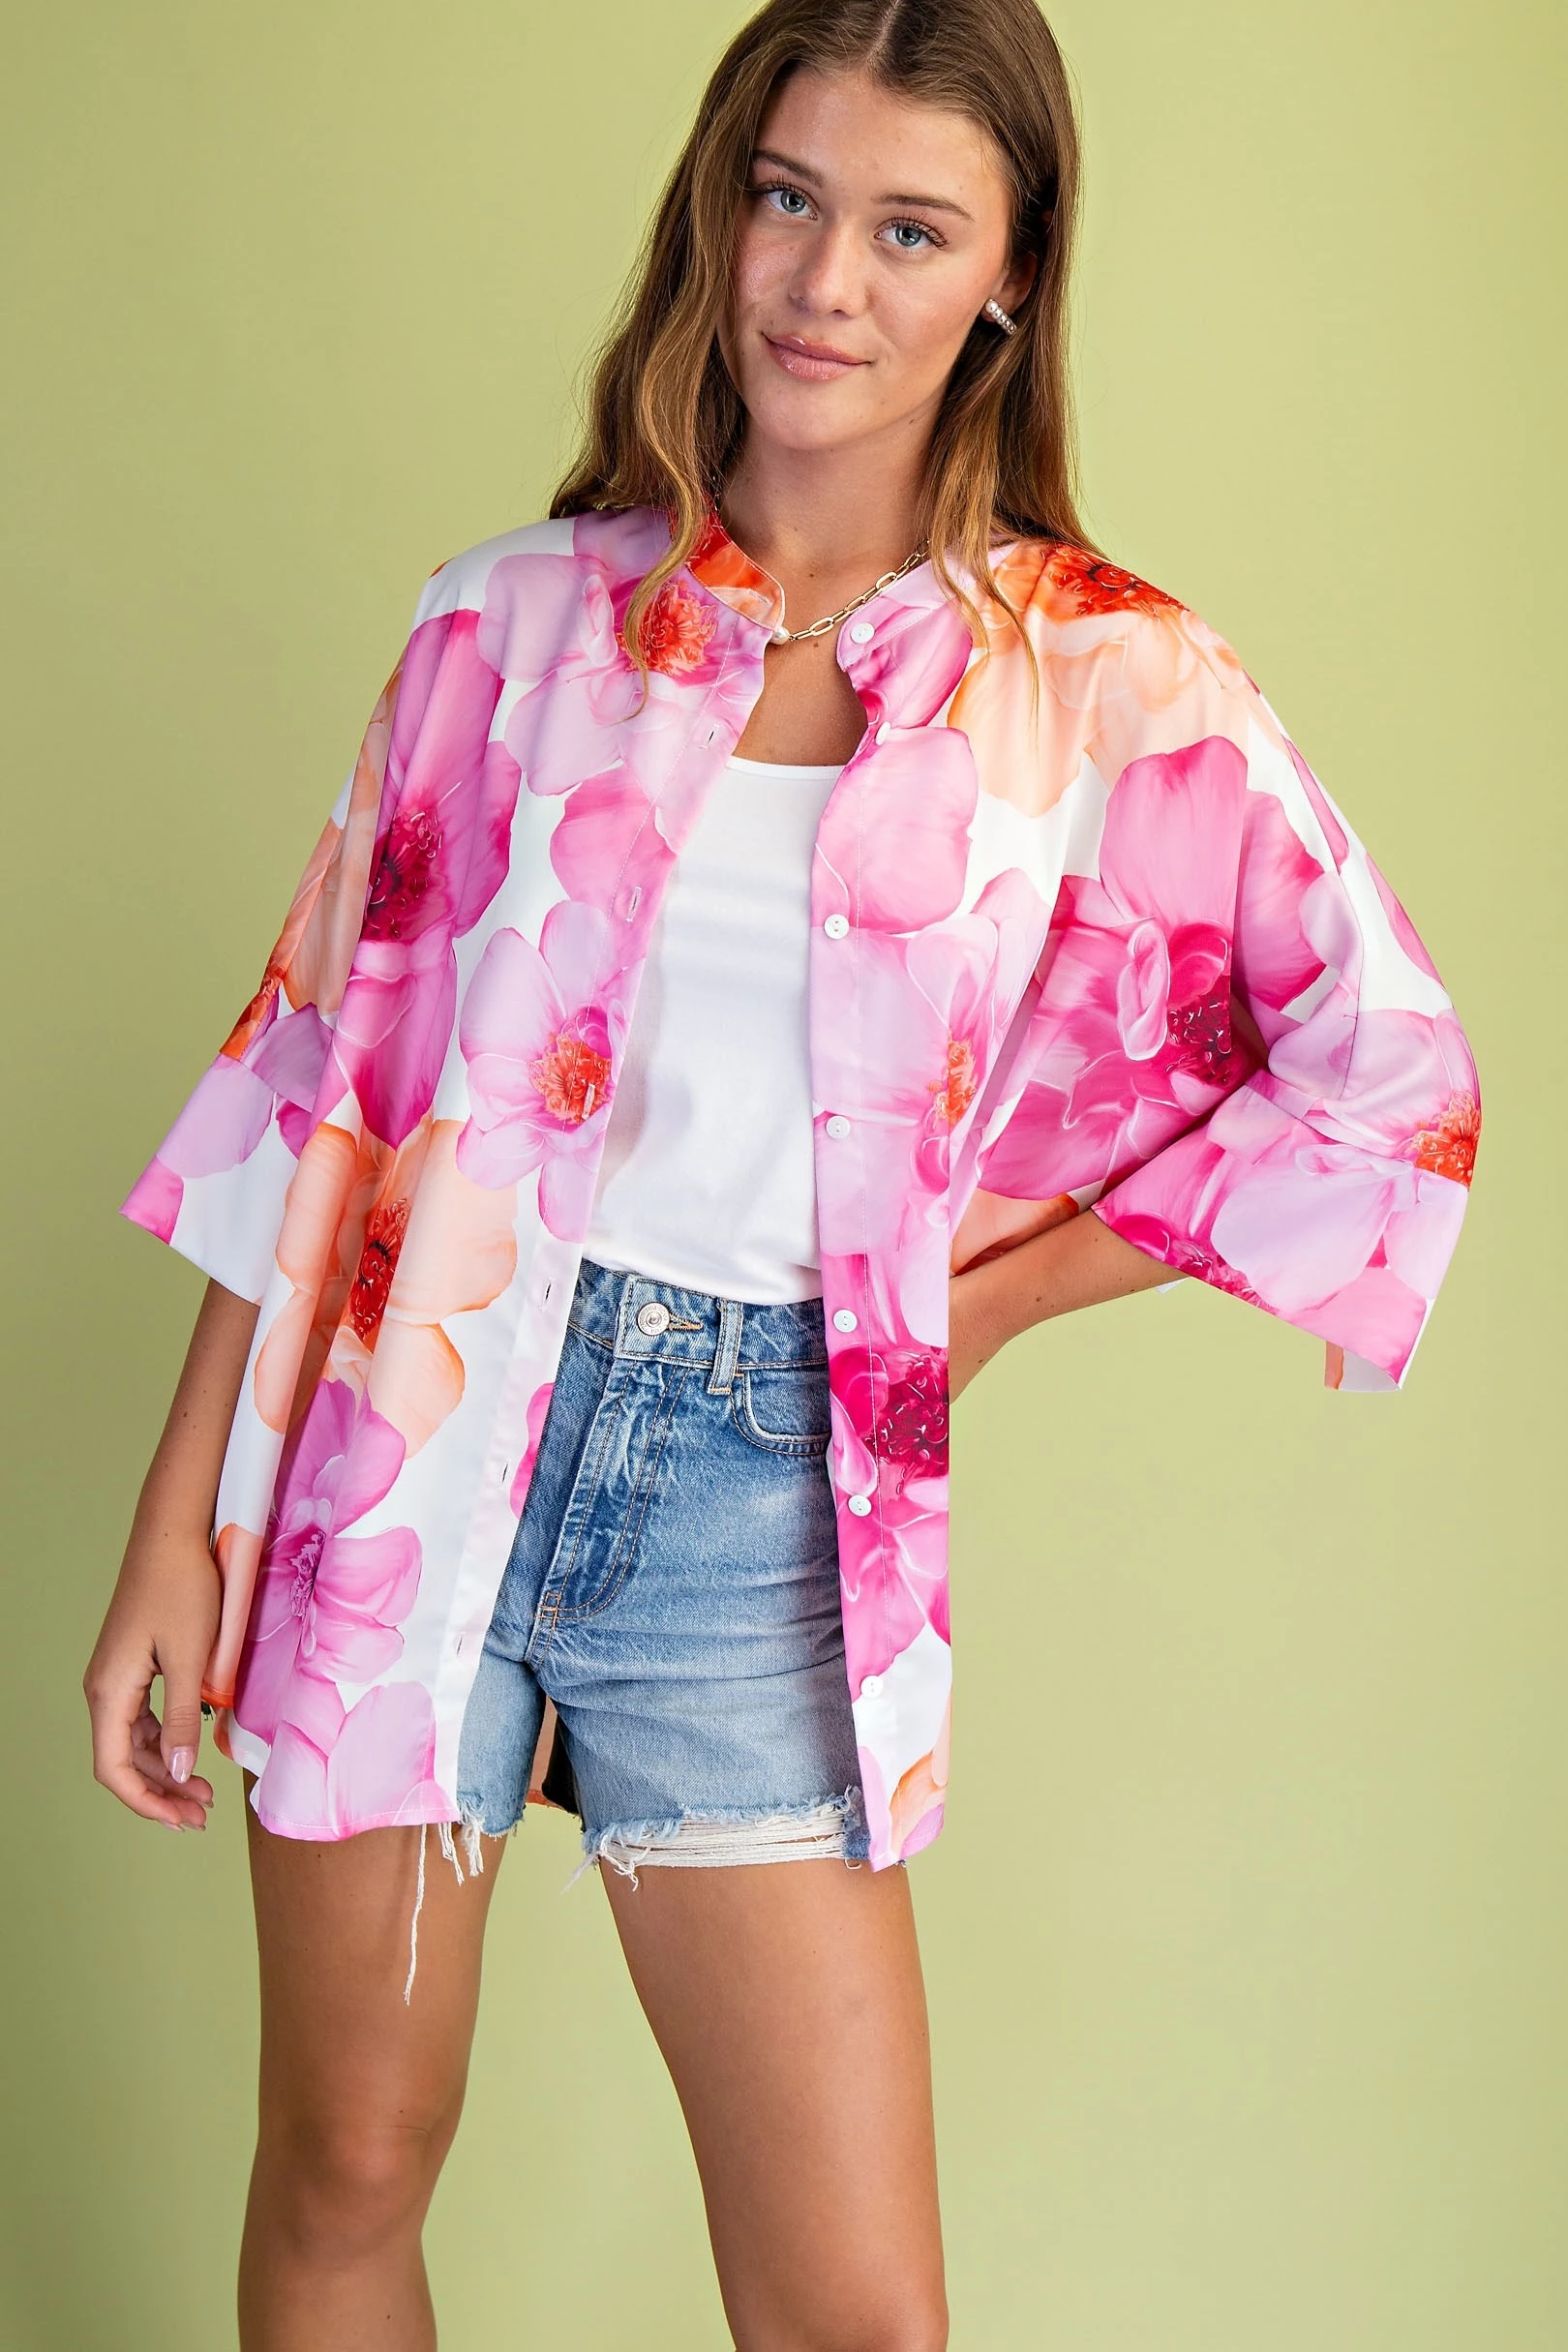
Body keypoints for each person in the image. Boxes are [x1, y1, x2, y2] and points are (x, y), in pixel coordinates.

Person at [83, 2, 1481, 2345]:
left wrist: (989, 1299)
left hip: (757, 1498)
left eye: (912, 230)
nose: (829, 282)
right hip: (402, 1439)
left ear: (1011, 280)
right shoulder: (507, 625)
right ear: (722, 209)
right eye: (790, 199)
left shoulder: (1105, 684)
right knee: (344, 2164)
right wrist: (170, 1535)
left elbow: (1391, 1070)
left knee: (855, 2317)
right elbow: (319, 1089)